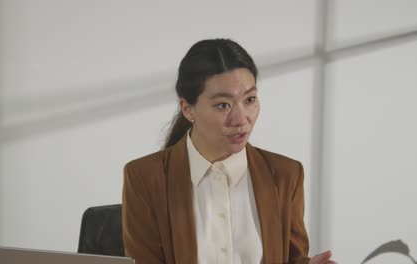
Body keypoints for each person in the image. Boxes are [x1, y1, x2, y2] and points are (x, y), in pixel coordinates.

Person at [122, 38, 336, 264]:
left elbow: (292, 258)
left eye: (250, 99)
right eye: (223, 105)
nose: (241, 119)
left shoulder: (285, 175)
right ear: (187, 108)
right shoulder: (144, 177)